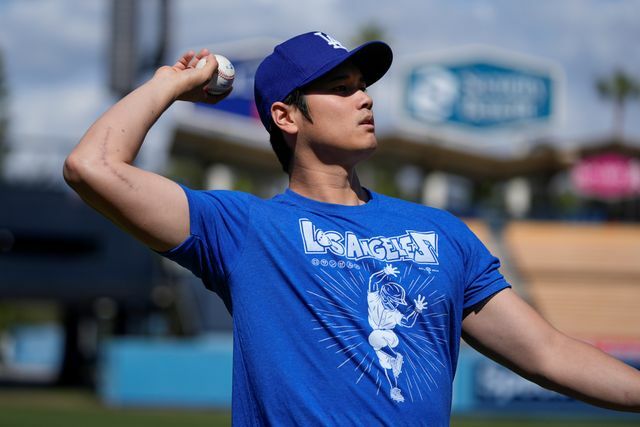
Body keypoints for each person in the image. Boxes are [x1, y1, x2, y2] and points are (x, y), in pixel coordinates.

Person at [64, 31, 640, 425]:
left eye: (362, 85)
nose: (364, 98)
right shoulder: (245, 228)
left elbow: (546, 352)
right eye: (340, 89)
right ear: (286, 116)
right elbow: (94, 168)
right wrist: (171, 82)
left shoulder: (442, 232)